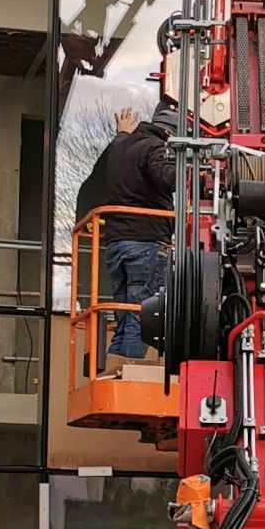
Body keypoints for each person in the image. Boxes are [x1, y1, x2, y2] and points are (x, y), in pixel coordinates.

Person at [91, 104, 175, 362]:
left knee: (125, 315)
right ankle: (129, 371)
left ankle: (114, 369)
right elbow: (166, 177)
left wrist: (121, 133)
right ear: (169, 132)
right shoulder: (155, 147)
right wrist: (190, 167)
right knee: (143, 316)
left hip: (117, 244)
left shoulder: (121, 145)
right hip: (145, 241)